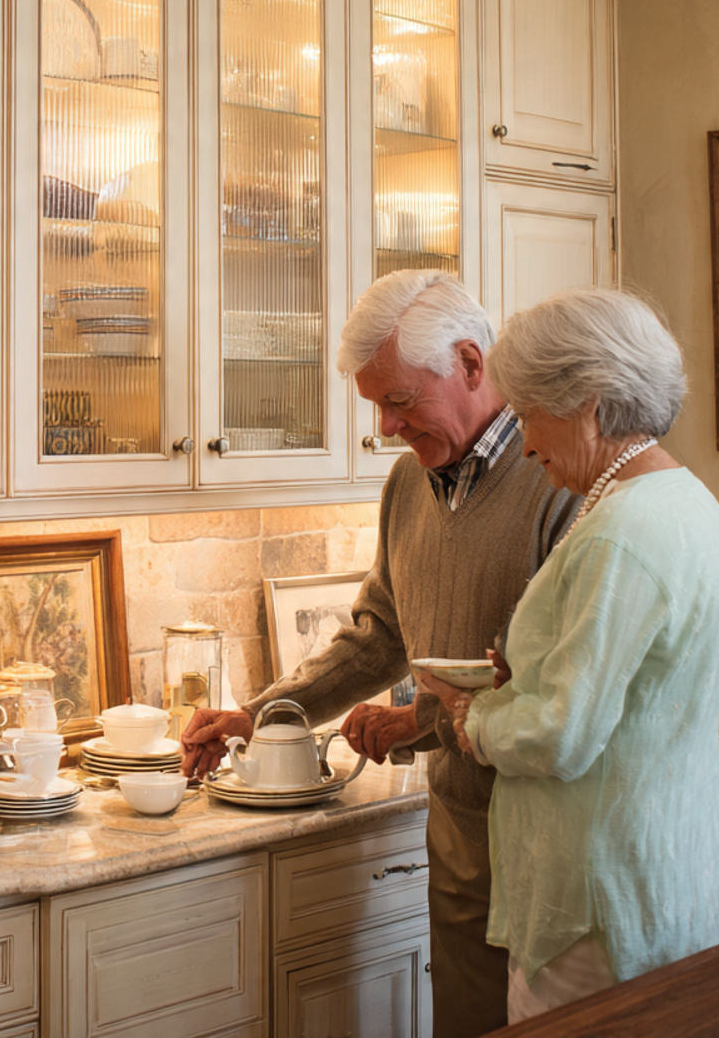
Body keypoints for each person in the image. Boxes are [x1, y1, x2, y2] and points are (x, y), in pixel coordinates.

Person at [181, 269, 579, 1038]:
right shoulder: (408, 482)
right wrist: (260, 716)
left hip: (552, 855)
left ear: (470, 363)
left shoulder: (559, 477)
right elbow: (378, 640)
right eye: (375, 405)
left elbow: (558, 684)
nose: (386, 426)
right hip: (458, 852)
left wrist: (415, 723)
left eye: (399, 400)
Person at [414, 288, 719, 1024]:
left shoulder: (619, 533)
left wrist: (472, 715)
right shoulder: (690, 504)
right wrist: (529, 679)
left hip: (593, 907)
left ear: (587, 405)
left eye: (530, 415)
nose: (525, 445)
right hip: (669, 872)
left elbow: (561, 735)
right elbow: (646, 685)